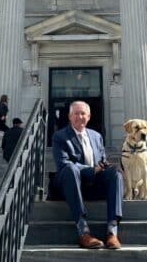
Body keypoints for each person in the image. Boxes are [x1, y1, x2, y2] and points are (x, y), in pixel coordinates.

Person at [52, 101, 123, 249]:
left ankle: (112, 232)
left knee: (115, 173)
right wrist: (91, 170)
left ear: (89, 117)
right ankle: (83, 232)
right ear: (70, 117)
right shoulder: (60, 136)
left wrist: (104, 166)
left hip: (93, 183)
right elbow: (63, 164)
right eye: (76, 113)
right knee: (71, 169)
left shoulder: (96, 136)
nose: (80, 116)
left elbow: (101, 160)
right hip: (69, 184)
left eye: (83, 113)